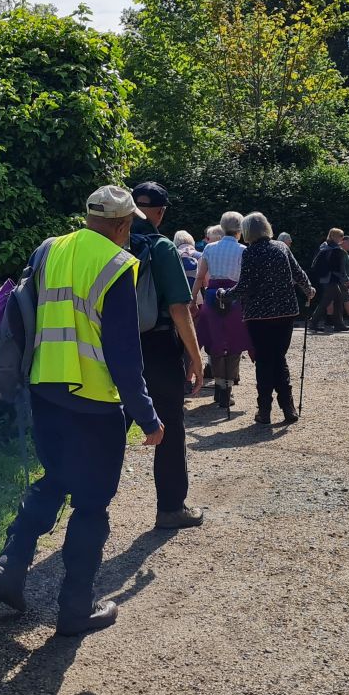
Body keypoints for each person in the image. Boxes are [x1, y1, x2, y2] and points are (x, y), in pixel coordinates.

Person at [0, 185, 164, 637]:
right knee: (91, 504)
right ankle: (74, 610)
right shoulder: (118, 264)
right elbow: (124, 352)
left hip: (44, 389)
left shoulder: (48, 250)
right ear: (123, 226)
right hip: (94, 402)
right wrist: (147, 415)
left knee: (59, 477)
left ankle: (11, 561)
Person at [131, 182, 207, 530]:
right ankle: (171, 508)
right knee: (170, 426)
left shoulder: (104, 244)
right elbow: (180, 307)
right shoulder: (161, 247)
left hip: (110, 347)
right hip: (158, 348)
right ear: (160, 212)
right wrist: (194, 355)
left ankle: (90, 507)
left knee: (108, 427)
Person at [219, 212, 315, 425]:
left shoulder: (251, 253)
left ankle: (265, 410)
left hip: (259, 316)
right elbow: (298, 273)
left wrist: (225, 295)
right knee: (279, 358)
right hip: (285, 312)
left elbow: (244, 287)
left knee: (264, 360)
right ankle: (288, 407)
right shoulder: (282, 247)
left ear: (247, 232)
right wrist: (308, 290)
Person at [193, 211, 253, 411]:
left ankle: (219, 389)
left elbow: (200, 276)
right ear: (240, 230)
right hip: (235, 298)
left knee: (215, 342)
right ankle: (228, 391)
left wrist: (193, 300)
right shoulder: (244, 250)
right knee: (235, 345)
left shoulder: (209, 248)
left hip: (211, 297)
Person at [308, 227, 349, 333]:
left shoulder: (324, 246)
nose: (342, 238)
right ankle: (314, 323)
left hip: (325, 278)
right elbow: (339, 268)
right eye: (340, 236)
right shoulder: (336, 249)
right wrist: (345, 279)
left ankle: (338, 324)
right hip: (331, 279)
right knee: (327, 301)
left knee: (336, 299)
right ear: (334, 236)